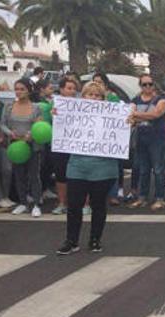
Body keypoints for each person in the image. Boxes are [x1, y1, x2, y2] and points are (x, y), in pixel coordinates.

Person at [56, 82, 118, 255]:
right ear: (83, 97)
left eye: (98, 95)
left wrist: (128, 121)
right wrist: (58, 116)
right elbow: (61, 130)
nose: (94, 98)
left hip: (103, 168)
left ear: (103, 99)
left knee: (98, 205)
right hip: (78, 166)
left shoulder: (111, 116)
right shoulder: (73, 114)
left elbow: (121, 133)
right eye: (90, 94)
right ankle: (71, 240)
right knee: (74, 205)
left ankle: (95, 239)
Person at [127, 74, 165, 211]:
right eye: (144, 84)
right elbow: (130, 115)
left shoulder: (160, 99)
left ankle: (160, 198)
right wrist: (138, 116)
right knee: (143, 169)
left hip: (157, 138)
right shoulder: (135, 99)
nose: (148, 87)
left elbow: (156, 114)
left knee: (158, 169)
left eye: (150, 84)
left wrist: (136, 115)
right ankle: (142, 197)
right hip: (141, 137)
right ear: (140, 86)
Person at [2, 79, 43, 217]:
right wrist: (10, 133)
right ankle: (23, 203)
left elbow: (39, 125)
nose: (18, 92)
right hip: (15, 145)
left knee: (34, 175)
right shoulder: (9, 106)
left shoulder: (36, 107)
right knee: (18, 175)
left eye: (22, 89)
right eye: (17, 89)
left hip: (31, 145)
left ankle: (37, 203)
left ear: (29, 90)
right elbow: (2, 124)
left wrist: (31, 134)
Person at [49, 77, 79, 215]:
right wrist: (52, 114)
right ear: (61, 89)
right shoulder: (54, 104)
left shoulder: (81, 104)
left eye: (74, 89)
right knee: (61, 175)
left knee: (77, 176)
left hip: (76, 145)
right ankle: (62, 203)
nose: (72, 91)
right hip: (61, 145)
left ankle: (75, 203)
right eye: (69, 88)